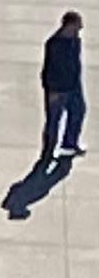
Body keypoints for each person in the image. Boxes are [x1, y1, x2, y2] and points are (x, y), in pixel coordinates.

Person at [46, 11, 87, 170]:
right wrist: (52, 91)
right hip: (58, 89)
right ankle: (49, 150)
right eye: (77, 25)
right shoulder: (55, 44)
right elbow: (49, 69)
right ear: (69, 25)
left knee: (78, 112)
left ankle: (69, 143)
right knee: (53, 121)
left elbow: (75, 65)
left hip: (73, 87)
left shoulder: (75, 41)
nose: (80, 28)